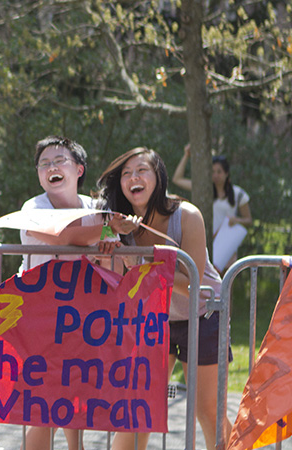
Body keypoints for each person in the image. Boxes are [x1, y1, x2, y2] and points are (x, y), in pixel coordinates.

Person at [99, 147, 232, 450]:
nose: (133, 177)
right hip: (154, 320)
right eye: (126, 173)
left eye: (141, 170)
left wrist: (142, 266)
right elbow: (117, 282)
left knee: (207, 410)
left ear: (158, 176)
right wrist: (110, 236)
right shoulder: (117, 225)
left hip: (203, 315)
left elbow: (192, 283)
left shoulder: (186, 215)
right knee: (140, 407)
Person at [19, 136, 127, 450]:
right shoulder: (33, 208)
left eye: (59, 161)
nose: (51, 167)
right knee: (42, 401)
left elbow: (108, 262)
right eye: (44, 164)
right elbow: (62, 237)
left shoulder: (97, 209)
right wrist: (107, 228)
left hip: (82, 319)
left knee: (75, 396)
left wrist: (110, 239)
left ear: (79, 169)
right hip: (40, 319)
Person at [172, 145, 252, 272]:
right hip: (206, 243)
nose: (216, 175)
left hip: (226, 247)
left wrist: (236, 220)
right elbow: (177, 179)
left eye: (219, 172)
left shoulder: (238, 194)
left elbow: (248, 220)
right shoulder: (204, 191)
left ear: (226, 173)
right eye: (213, 172)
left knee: (226, 283)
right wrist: (186, 155)